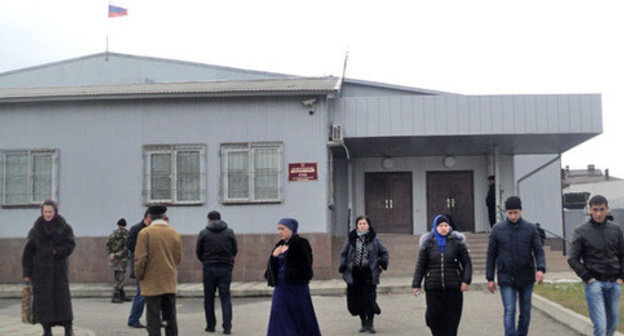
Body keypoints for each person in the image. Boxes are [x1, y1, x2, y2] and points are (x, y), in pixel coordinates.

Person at [486, 196, 546, 336]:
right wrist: (490, 277)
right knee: (509, 310)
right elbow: (491, 254)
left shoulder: (530, 229)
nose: (513, 216)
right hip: (506, 276)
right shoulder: (497, 230)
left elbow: (538, 251)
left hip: (526, 276)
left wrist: (541, 269)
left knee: (525, 312)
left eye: (515, 212)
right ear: (506, 212)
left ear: (521, 211)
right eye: (510, 213)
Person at [568, 195, 624, 336]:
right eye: (595, 210)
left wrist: (621, 278)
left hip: (614, 282)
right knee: (600, 326)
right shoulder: (581, 231)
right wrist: (588, 278)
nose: (598, 213)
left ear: (607, 209)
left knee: (613, 324)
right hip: (594, 284)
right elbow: (573, 258)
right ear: (590, 210)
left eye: (601, 209)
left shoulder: (616, 230)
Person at [22, 199, 76, 336]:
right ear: (42, 212)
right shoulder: (36, 230)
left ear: (55, 212)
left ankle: (68, 329)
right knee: (44, 305)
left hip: (58, 271)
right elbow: (27, 253)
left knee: (62, 302)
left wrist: (57, 252)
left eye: (50, 211)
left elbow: (70, 245)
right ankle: (47, 330)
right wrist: (27, 273)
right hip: (40, 274)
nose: (48, 214)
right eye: (45, 212)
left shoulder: (64, 227)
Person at [412, 215, 472, 336]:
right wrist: (416, 284)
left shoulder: (457, 243)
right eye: (440, 226)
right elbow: (421, 265)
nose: (443, 228)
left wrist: (466, 280)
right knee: (432, 318)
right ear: (435, 227)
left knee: (452, 320)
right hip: (434, 288)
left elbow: (467, 263)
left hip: (453, 288)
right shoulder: (428, 244)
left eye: (446, 225)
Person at [265, 218, 321, 336]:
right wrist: (274, 257)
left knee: (300, 317)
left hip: (297, 287)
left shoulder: (301, 243)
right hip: (281, 288)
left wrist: (290, 255)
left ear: (291, 229)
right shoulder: (279, 245)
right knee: (279, 315)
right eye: (278, 229)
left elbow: (306, 264)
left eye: (282, 229)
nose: (280, 232)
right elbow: (270, 269)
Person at [134, 205, 183, 336]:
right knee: (170, 317)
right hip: (169, 280)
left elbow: (140, 258)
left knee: (153, 318)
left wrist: (139, 275)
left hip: (151, 282)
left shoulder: (144, 233)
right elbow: (178, 258)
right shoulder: (174, 233)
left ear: (149, 217)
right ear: (164, 216)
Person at [338, 215, 389, 333]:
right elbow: (343, 253)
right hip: (355, 274)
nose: (362, 226)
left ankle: (370, 323)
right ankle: (363, 323)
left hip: (369, 274)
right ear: (357, 225)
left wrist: (381, 265)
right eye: (360, 223)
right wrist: (343, 265)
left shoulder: (374, 238)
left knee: (369, 299)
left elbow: (384, 252)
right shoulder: (351, 238)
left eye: (364, 223)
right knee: (358, 300)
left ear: (368, 225)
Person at [196, 210, 238, 334]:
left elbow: (198, 251)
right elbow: (235, 250)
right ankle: (227, 327)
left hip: (209, 267)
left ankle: (210, 325)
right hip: (226, 267)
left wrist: (205, 260)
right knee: (225, 297)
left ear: (208, 219)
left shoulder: (203, 233)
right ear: (220, 219)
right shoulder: (229, 232)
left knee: (209, 298)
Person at [127, 209, 151, 328]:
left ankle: (155, 319)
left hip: (152, 267)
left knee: (154, 295)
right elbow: (129, 245)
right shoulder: (136, 229)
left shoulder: (152, 230)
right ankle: (133, 319)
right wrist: (142, 244)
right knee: (141, 294)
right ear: (148, 217)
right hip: (140, 266)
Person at [106, 217, 131, 303]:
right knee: (120, 277)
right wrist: (118, 254)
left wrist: (110, 254)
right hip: (122, 259)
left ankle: (121, 293)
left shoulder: (113, 234)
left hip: (114, 259)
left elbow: (108, 245)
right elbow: (127, 247)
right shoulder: (126, 234)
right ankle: (116, 295)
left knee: (117, 275)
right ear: (125, 225)